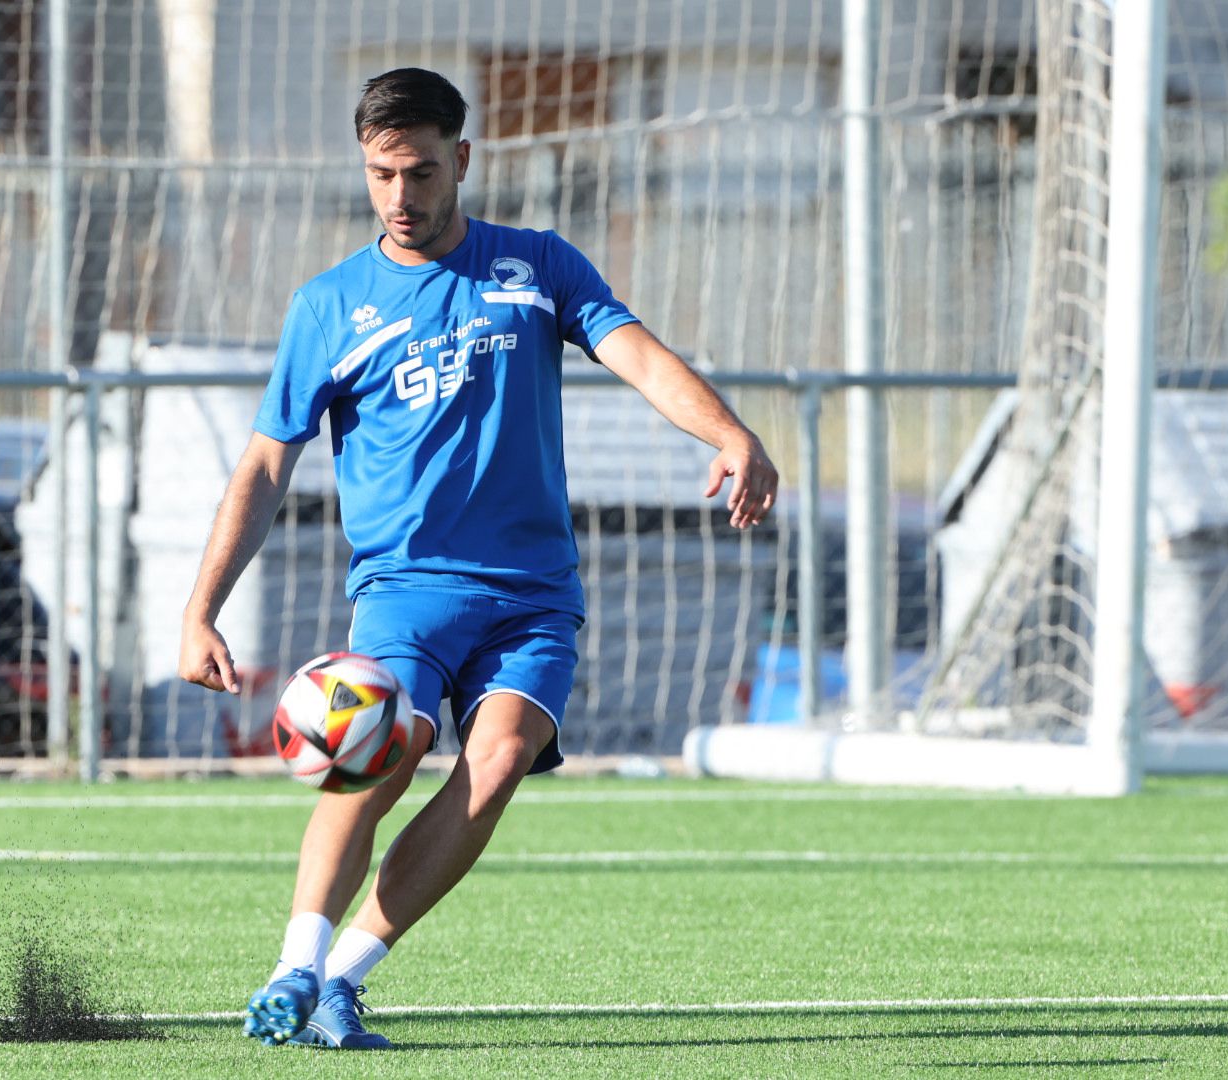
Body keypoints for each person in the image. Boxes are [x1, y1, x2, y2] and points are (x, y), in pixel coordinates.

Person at [178, 67, 778, 1051]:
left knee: (496, 763)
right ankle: (294, 965)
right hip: (404, 594)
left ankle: (341, 981)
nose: (399, 196)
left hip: (534, 599)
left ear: (461, 159)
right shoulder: (328, 306)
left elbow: (638, 355)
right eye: (380, 175)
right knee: (381, 755)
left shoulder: (536, 266)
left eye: (419, 172)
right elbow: (264, 467)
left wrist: (731, 434)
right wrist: (202, 609)